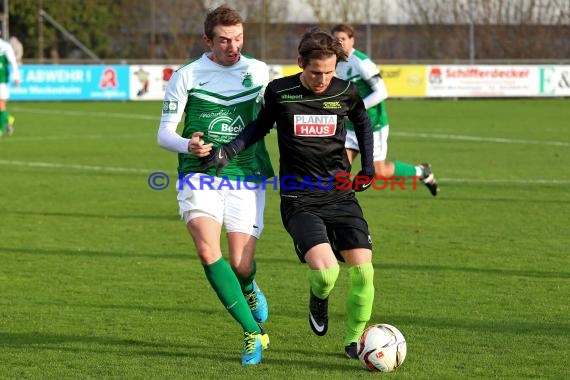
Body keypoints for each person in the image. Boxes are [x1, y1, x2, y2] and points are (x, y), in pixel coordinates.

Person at [201, 28, 377, 359]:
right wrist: (227, 151)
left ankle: (354, 341)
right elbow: (259, 126)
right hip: (299, 199)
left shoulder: (346, 91)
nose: (323, 79)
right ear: (300, 63)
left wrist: (367, 168)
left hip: (340, 195)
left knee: (364, 272)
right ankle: (319, 297)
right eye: (315, 72)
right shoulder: (281, 92)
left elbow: (363, 123)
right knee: (326, 272)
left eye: (329, 72)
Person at [156, 5, 273, 365]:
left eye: (238, 39)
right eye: (224, 40)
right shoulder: (186, 75)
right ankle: (253, 333)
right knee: (208, 250)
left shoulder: (258, 71)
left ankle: (248, 287)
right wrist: (186, 144)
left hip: (245, 172)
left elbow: (269, 120)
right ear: (208, 40)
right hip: (199, 171)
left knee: (240, 264)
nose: (232, 46)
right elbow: (163, 134)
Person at [331, 24, 439, 196]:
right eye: (335, 40)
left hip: (372, 125)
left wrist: (355, 110)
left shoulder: (361, 63)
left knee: (379, 171)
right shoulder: (334, 62)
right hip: (350, 127)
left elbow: (382, 92)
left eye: (343, 39)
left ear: (352, 40)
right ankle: (336, 211)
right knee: (338, 169)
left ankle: (421, 172)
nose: (339, 43)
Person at [0, 32, 20, 138]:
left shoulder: (5, 46)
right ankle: (8, 119)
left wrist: (16, 77)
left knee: (1, 105)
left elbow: (13, 62)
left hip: (2, 81)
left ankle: (0, 130)